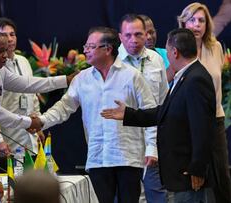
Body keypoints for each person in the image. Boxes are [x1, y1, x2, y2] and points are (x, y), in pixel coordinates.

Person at [36, 26, 156, 203]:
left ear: (107, 49)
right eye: (86, 46)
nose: (85, 51)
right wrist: (41, 121)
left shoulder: (132, 76)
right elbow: (63, 108)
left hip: (128, 158)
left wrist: (152, 148)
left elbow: (151, 112)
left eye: (90, 47)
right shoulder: (82, 79)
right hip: (97, 158)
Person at [101, 28, 216, 202]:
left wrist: (197, 168)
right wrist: (129, 114)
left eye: (168, 51)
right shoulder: (185, 77)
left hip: (190, 175)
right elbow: (165, 113)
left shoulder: (195, 79)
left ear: (175, 52)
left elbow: (202, 128)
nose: (167, 56)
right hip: (180, 174)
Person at [0, 30, 75, 181]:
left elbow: (26, 83)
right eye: (1, 51)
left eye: (6, 51)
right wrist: (28, 122)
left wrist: (65, 80)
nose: (6, 56)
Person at [178, 3, 231, 202]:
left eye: (201, 20)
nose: (197, 24)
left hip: (214, 120)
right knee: (192, 177)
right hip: (187, 123)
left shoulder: (215, 47)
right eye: (192, 19)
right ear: (184, 22)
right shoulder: (177, 47)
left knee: (221, 177)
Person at [117, 13, 168, 203]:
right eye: (128, 35)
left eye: (139, 34)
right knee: (125, 197)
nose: (134, 40)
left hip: (152, 141)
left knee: (156, 195)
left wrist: (153, 145)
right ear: (120, 36)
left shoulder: (156, 59)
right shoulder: (112, 62)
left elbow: (162, 104)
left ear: (147, 34)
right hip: (122, 144)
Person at [0, 17, 41, 155]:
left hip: (30, 139)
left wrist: (38, 123)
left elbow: (33, 96)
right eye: (4, 35)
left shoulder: (23, 61)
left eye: (12, 34)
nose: (10, 39)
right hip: (8, 142)